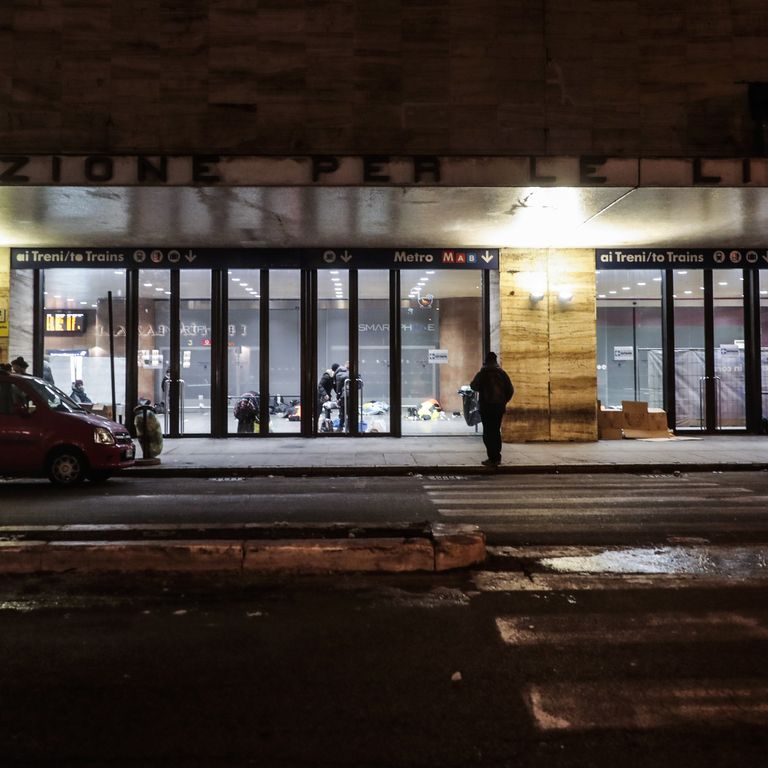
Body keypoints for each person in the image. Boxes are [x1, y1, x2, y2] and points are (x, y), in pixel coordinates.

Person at [470, 351, 514, 468]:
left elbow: (473, 386)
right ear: (495, 361)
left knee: (488, 432)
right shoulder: (502, 373)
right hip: (498, 408)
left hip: (486, 408)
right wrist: (503, 401)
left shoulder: (483, 373)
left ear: (486, 361)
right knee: (496, 431)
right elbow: (510, 390)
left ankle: (491, 457)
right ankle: (497, 457)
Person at [333, 362, 350, 430]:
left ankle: (340, 427)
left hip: (344, 395)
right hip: (352, 395)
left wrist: (338, 397)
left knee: (342, 411)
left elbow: (338, 388)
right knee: (350, 412)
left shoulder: (338, 375)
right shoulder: (352, 373)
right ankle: (349, 427)